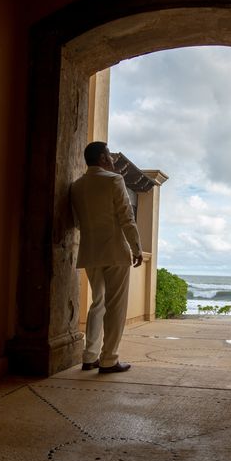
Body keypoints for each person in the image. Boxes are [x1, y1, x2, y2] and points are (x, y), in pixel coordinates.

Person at [70, 141, 143, 373]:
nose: (112, 159)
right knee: (115, 307)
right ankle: (109, 359)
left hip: (90, 252)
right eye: (109, 155)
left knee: (98, 303)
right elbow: (126, 217)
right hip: (114, 251)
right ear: (102, 158)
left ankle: (89, 356)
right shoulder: (114, 180)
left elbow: (75, 222)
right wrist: (136, 248)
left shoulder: (76, 186)